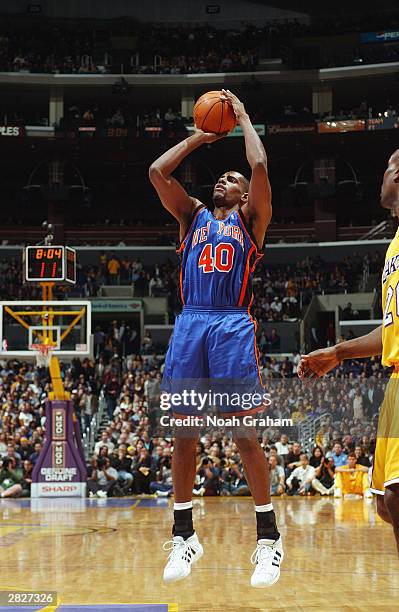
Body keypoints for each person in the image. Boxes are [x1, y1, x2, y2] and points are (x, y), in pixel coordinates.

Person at [149, 89, 282, 587]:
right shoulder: (192, 217)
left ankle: (268, 539)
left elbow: (261, 165)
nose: (224, 179)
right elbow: (157, 173)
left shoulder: (252, 221)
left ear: (245, 196)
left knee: (244, 434)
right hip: (190, 324)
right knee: (184, 436)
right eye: (221, 176)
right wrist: (200, 137)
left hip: (229, 323)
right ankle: (184, 536)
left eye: (233, 179)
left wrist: (244, 116)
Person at [298, 148, 399, 553]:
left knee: (397, 498)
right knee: (385, 506)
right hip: (395, 383)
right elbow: (391, 329)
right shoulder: (393, 247)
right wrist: (337, 353)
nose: (382, 177)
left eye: (388, 168)